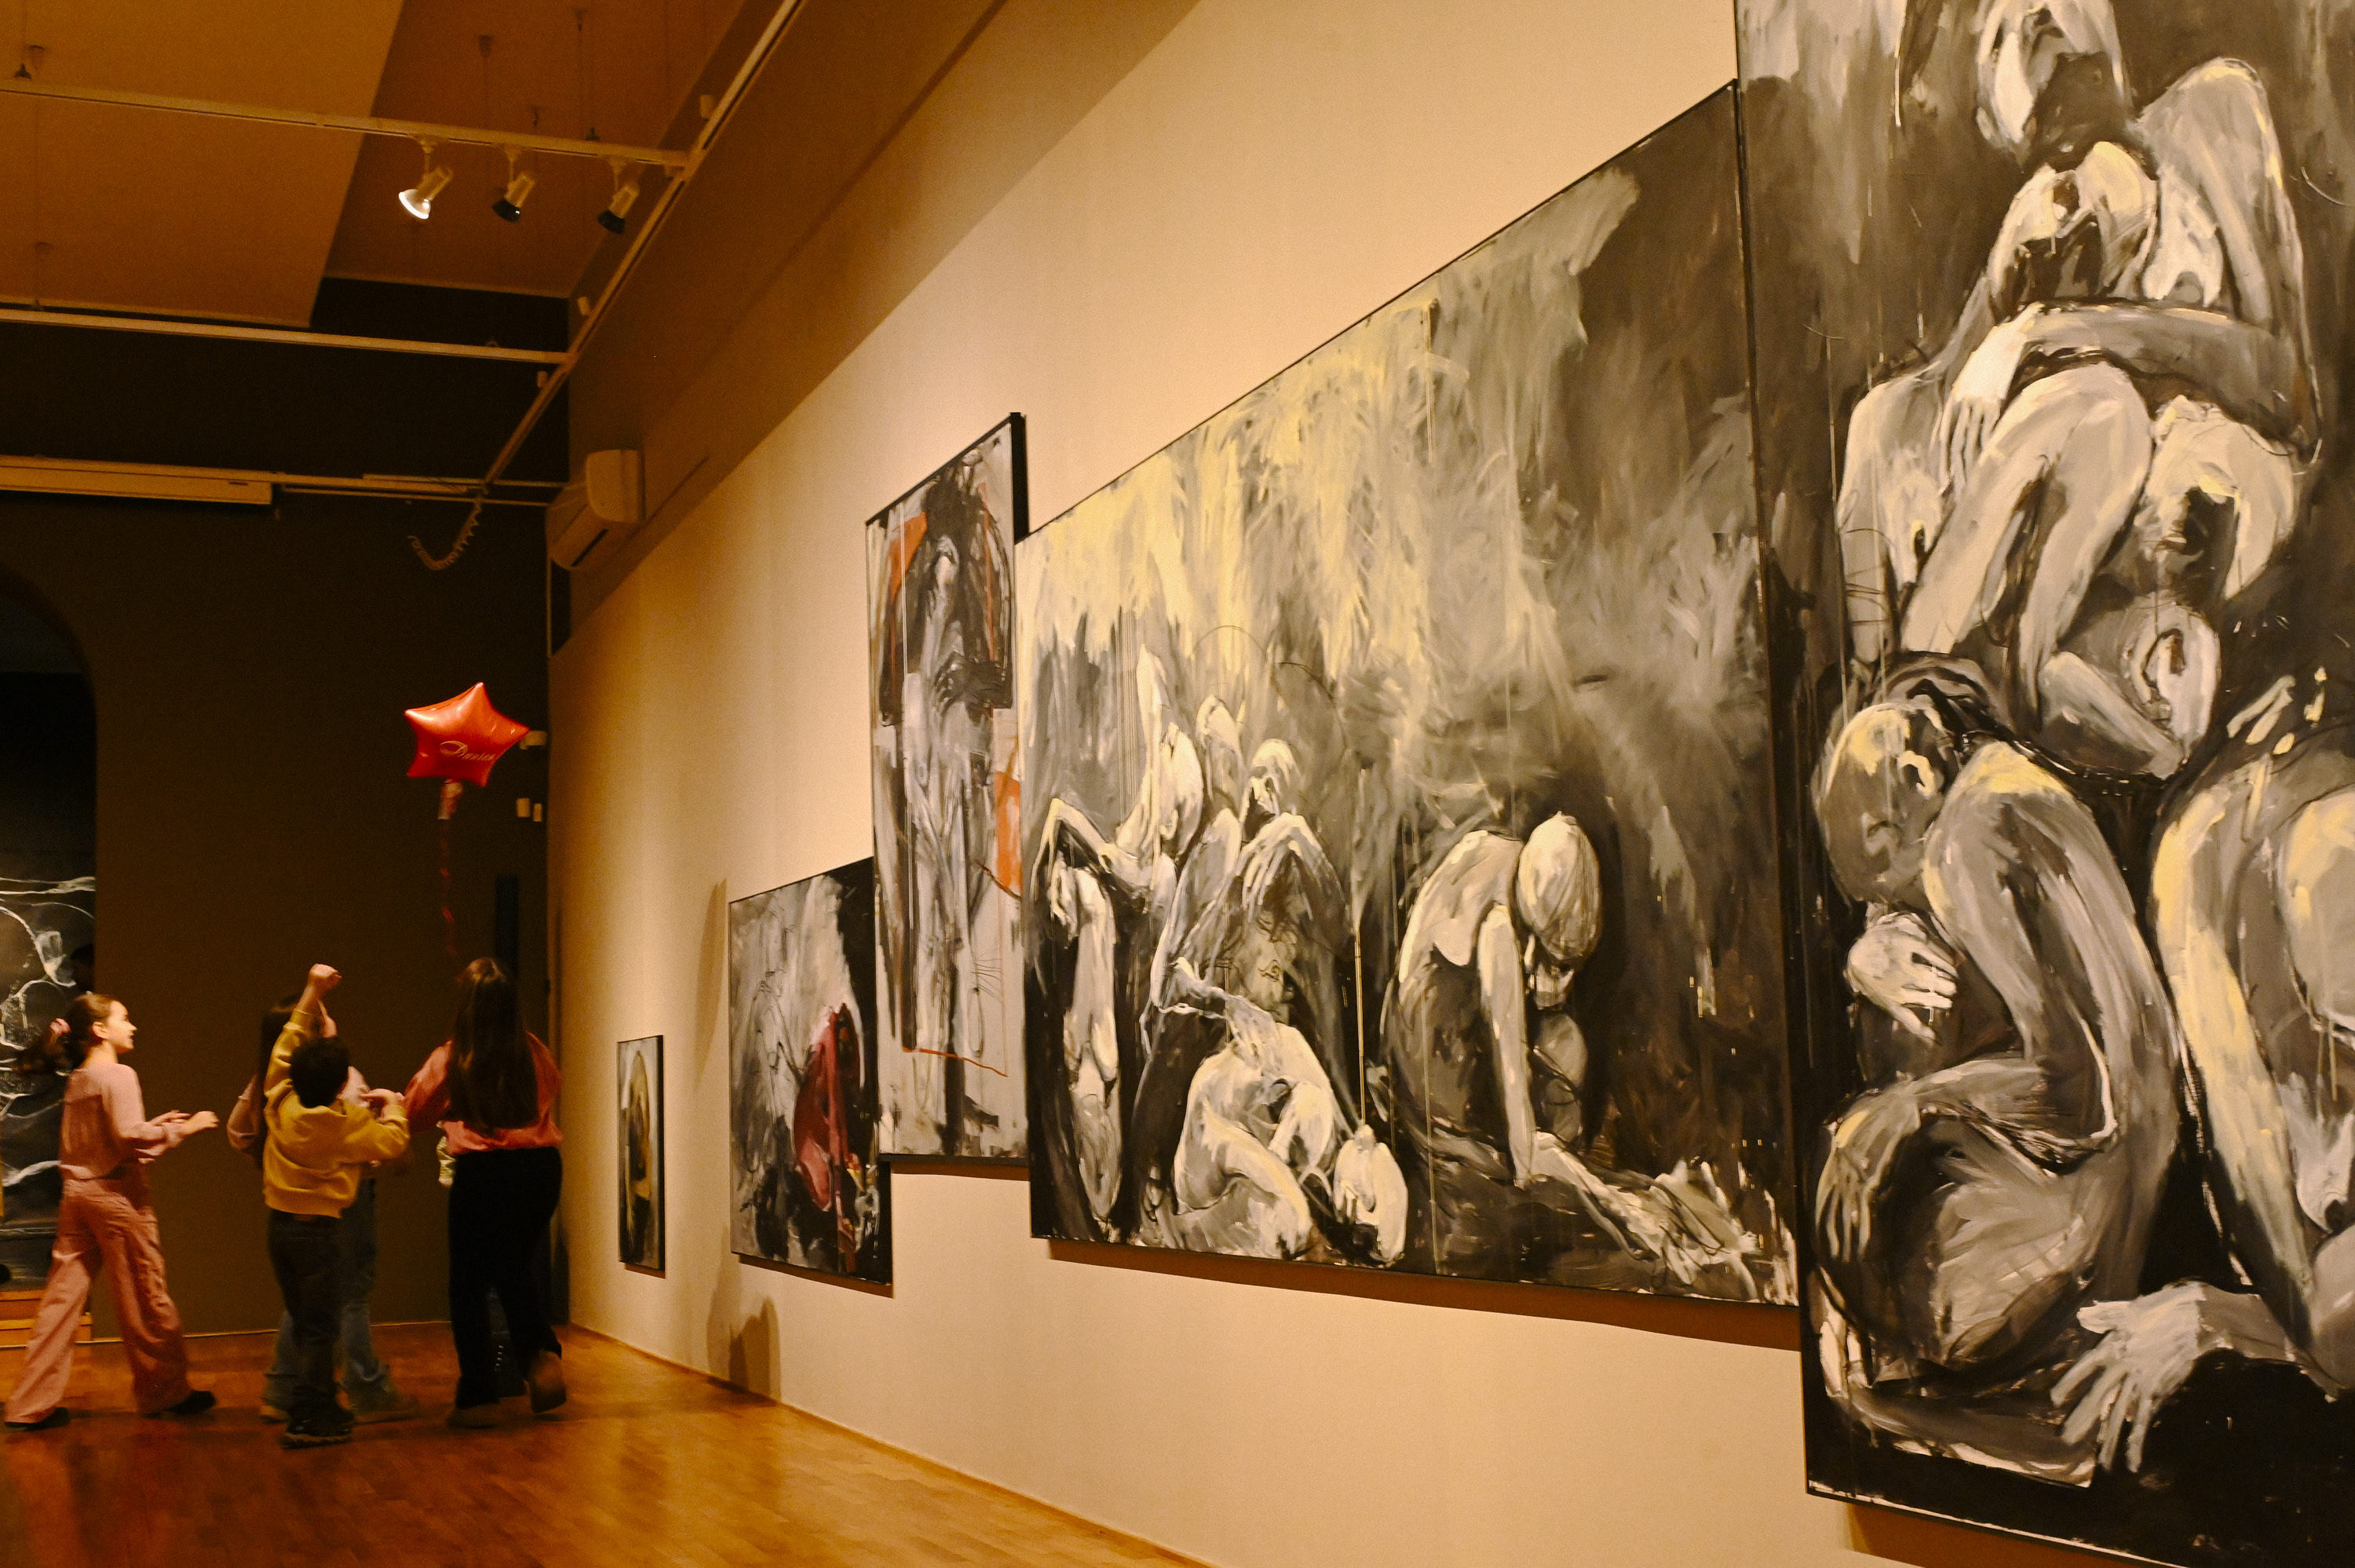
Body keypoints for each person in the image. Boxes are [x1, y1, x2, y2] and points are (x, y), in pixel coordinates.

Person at [1810, 680, 2181, 1476]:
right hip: (2102, 1187)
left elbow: (2081, 1099)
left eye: (1885, 881)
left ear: (1917, 781)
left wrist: (1906, 1112)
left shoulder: (1971, 835)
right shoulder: (1994, 787)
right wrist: (1869, 955)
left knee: (1865, 1188)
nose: (1892, 907)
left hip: (2083, 1210)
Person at [3, 994, 218, 1431]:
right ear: (100, 1030)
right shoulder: (118, 1074)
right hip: (116, 1198)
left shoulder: (81, 1077)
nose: (132, 1026)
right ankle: (165, 1392)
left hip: (77, 1196)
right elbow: (128, 1138)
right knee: (145, 1298)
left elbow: (109, 1138)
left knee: (61, 1303)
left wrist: (154, 1127)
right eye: (125, 1018)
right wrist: (182, 1129)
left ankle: (29, 1405)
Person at [228, 993, 418, 1426]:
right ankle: (362, 1390)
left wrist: (275, 1156)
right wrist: (394, 1108)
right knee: (347, 1297)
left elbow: (238, 1131)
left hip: (284, 1215)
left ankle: (282, 1390)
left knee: (307, 1302)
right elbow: (388, 1144)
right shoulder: (342, 1087)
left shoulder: (278, 1092)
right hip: (337, 1208)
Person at [404, 957, 564, 1428]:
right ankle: (540, 1355)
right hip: (541, 1169)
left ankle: (478, 1396)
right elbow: (550, 1089)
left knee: (469, 1284)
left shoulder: (453, 1057)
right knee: (514, 1264)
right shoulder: (533, 1051)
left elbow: (414, 1112)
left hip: (485, 1173)